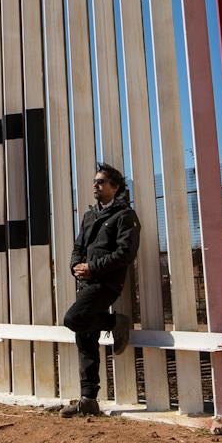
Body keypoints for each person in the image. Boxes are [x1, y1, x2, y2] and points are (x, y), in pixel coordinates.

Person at [58, 161, 136, 417]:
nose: (96, 185)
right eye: (95, 181)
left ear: (115, 187)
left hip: (106, 283)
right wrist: (75, 267)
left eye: (101, 182)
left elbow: (125, 253)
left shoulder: (125, 216)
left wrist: (92, 267)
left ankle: (116, 321)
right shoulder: (89, 215)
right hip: (85, 282)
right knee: (85, 338)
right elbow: (78, 247)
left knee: (74, 319)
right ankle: (88, 399)